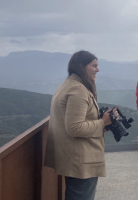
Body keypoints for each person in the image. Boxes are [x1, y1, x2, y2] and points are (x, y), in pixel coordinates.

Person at [44, 50, 116, 200]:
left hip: (72, 156)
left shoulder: (67, 85)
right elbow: (74, 127)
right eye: (94, 65)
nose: (98, 69)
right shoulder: (78, 90)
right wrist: (102, 122)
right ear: (81, 66)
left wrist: (104, 124)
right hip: (81, 160)